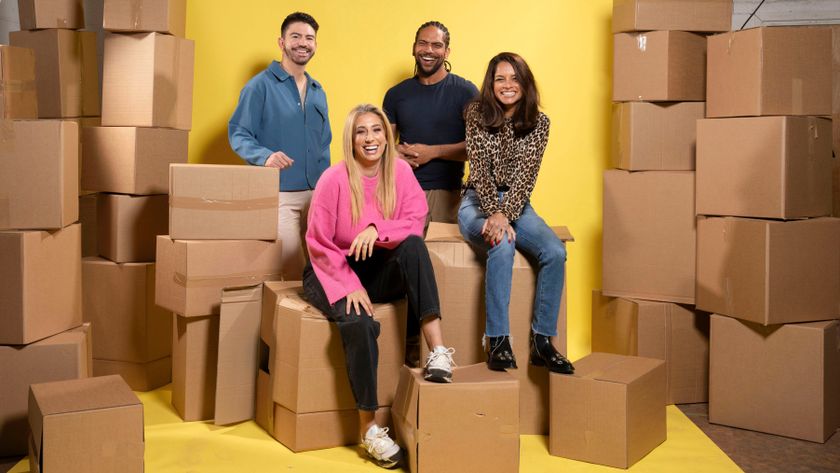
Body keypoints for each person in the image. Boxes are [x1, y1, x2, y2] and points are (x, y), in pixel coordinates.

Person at [303, 104, 456, 469]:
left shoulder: (400, 172)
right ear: (351, 139)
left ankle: (437, 350)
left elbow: (416, 220)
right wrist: (346, 282)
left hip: (376, 267)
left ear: (387, 136)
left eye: (377, 130)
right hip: (329, 269)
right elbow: (318, 243)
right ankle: (369, 428)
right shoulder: (334, 179)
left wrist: (377, 230)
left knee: (415, 248)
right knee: (358, 323)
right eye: (361, 132)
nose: (370, 139)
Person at [458, 52, 574, 375]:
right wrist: (494, 213)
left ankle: (542, 341)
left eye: (514, 78)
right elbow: (479, 170)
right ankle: (497, 340)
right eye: (500, 79)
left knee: (554, 251)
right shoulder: (476, 114)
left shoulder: (539, 123)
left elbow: (526, 176)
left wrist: (505, 213)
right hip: (476, 201)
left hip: (517, 203)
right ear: (490, 84)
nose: (507, 85)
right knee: (502, 244)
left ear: (525, 83)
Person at [229, 11, 331, 280]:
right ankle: (297, 322)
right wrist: (264, 157)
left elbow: (325, 143)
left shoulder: (319, 91)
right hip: (280, 196)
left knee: (323, 268)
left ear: (315, 45)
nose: (303, 43)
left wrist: (330, 187)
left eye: (309, 38)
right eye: (295, 36)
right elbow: (238, 132)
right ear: (281, 42)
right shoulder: (259, 86)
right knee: (293, 270)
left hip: (317, 196)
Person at [383, 20, 478, 229]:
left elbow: (478, 149)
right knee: (402, 259)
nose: (428, 50)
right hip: (400, 191)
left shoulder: (466, 92)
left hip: (445, 194)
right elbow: (383, 144)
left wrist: (433, 152)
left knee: (440, 259)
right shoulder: (396, 94)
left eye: (436, 45)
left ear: (447, 51)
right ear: (414, 48)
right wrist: (394, 152)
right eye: (422, 43)